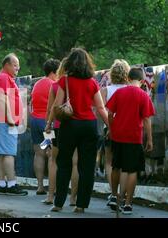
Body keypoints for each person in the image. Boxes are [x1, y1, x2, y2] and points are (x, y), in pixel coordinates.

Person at [48, 48, 108, 213]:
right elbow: (101, 108)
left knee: (64, 163)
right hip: (89, 126)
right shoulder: (92, 83)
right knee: (87, 166)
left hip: (69, 126)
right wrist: (110, 124)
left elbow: (57, 105)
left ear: (69, 63)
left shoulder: (64, 81)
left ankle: (58, 203)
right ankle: (81, 205)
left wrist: (49, 123)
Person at [106, 67, 155, 215]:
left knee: (116, 166)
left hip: (118, 135)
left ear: (127, 79)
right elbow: (146, 119)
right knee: (132, 170)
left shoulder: (119, 93)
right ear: (141, 81)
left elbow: (110, 113)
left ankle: (114, 196)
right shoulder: (143, 95)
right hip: (134, 137)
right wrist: (150, 139)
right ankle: (127, 204)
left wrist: (111, 128)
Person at [0, 53, 27, 196]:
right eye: (15, 65)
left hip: (0, 120)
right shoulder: (3, 78)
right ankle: (11, 184)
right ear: (7, 65)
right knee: (9, 153)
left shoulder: (4, 78)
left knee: (1, 153)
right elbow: (2, 99)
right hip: (4, 121)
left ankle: (1, 183)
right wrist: (10, 118)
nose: (18, 68)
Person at [43, 58, 79, 206]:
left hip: (58, 127)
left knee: (54, 161)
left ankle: (51, 196)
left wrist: (48, 127)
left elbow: (51, 109)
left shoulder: (56, 85)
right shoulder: (81, 83)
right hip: (76, 125)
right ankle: (73, 199)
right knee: (75, 163)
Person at [100, 60, 129, 203]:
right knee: (124, 163)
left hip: (109, 128)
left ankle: (113, 193)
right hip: (126, 128)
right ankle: (122, 195)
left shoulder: (106, 90)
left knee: (109, 161)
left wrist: (109, 125)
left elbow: (103, 110)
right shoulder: (130, 90)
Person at [31, 58, 60, 195]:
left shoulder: (37, 84)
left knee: (38, 153)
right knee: (50, 154)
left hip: (35, 121)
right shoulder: (53, 84)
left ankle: (40, 186)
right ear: (54, 72)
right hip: (46, 123)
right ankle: (51, 188)